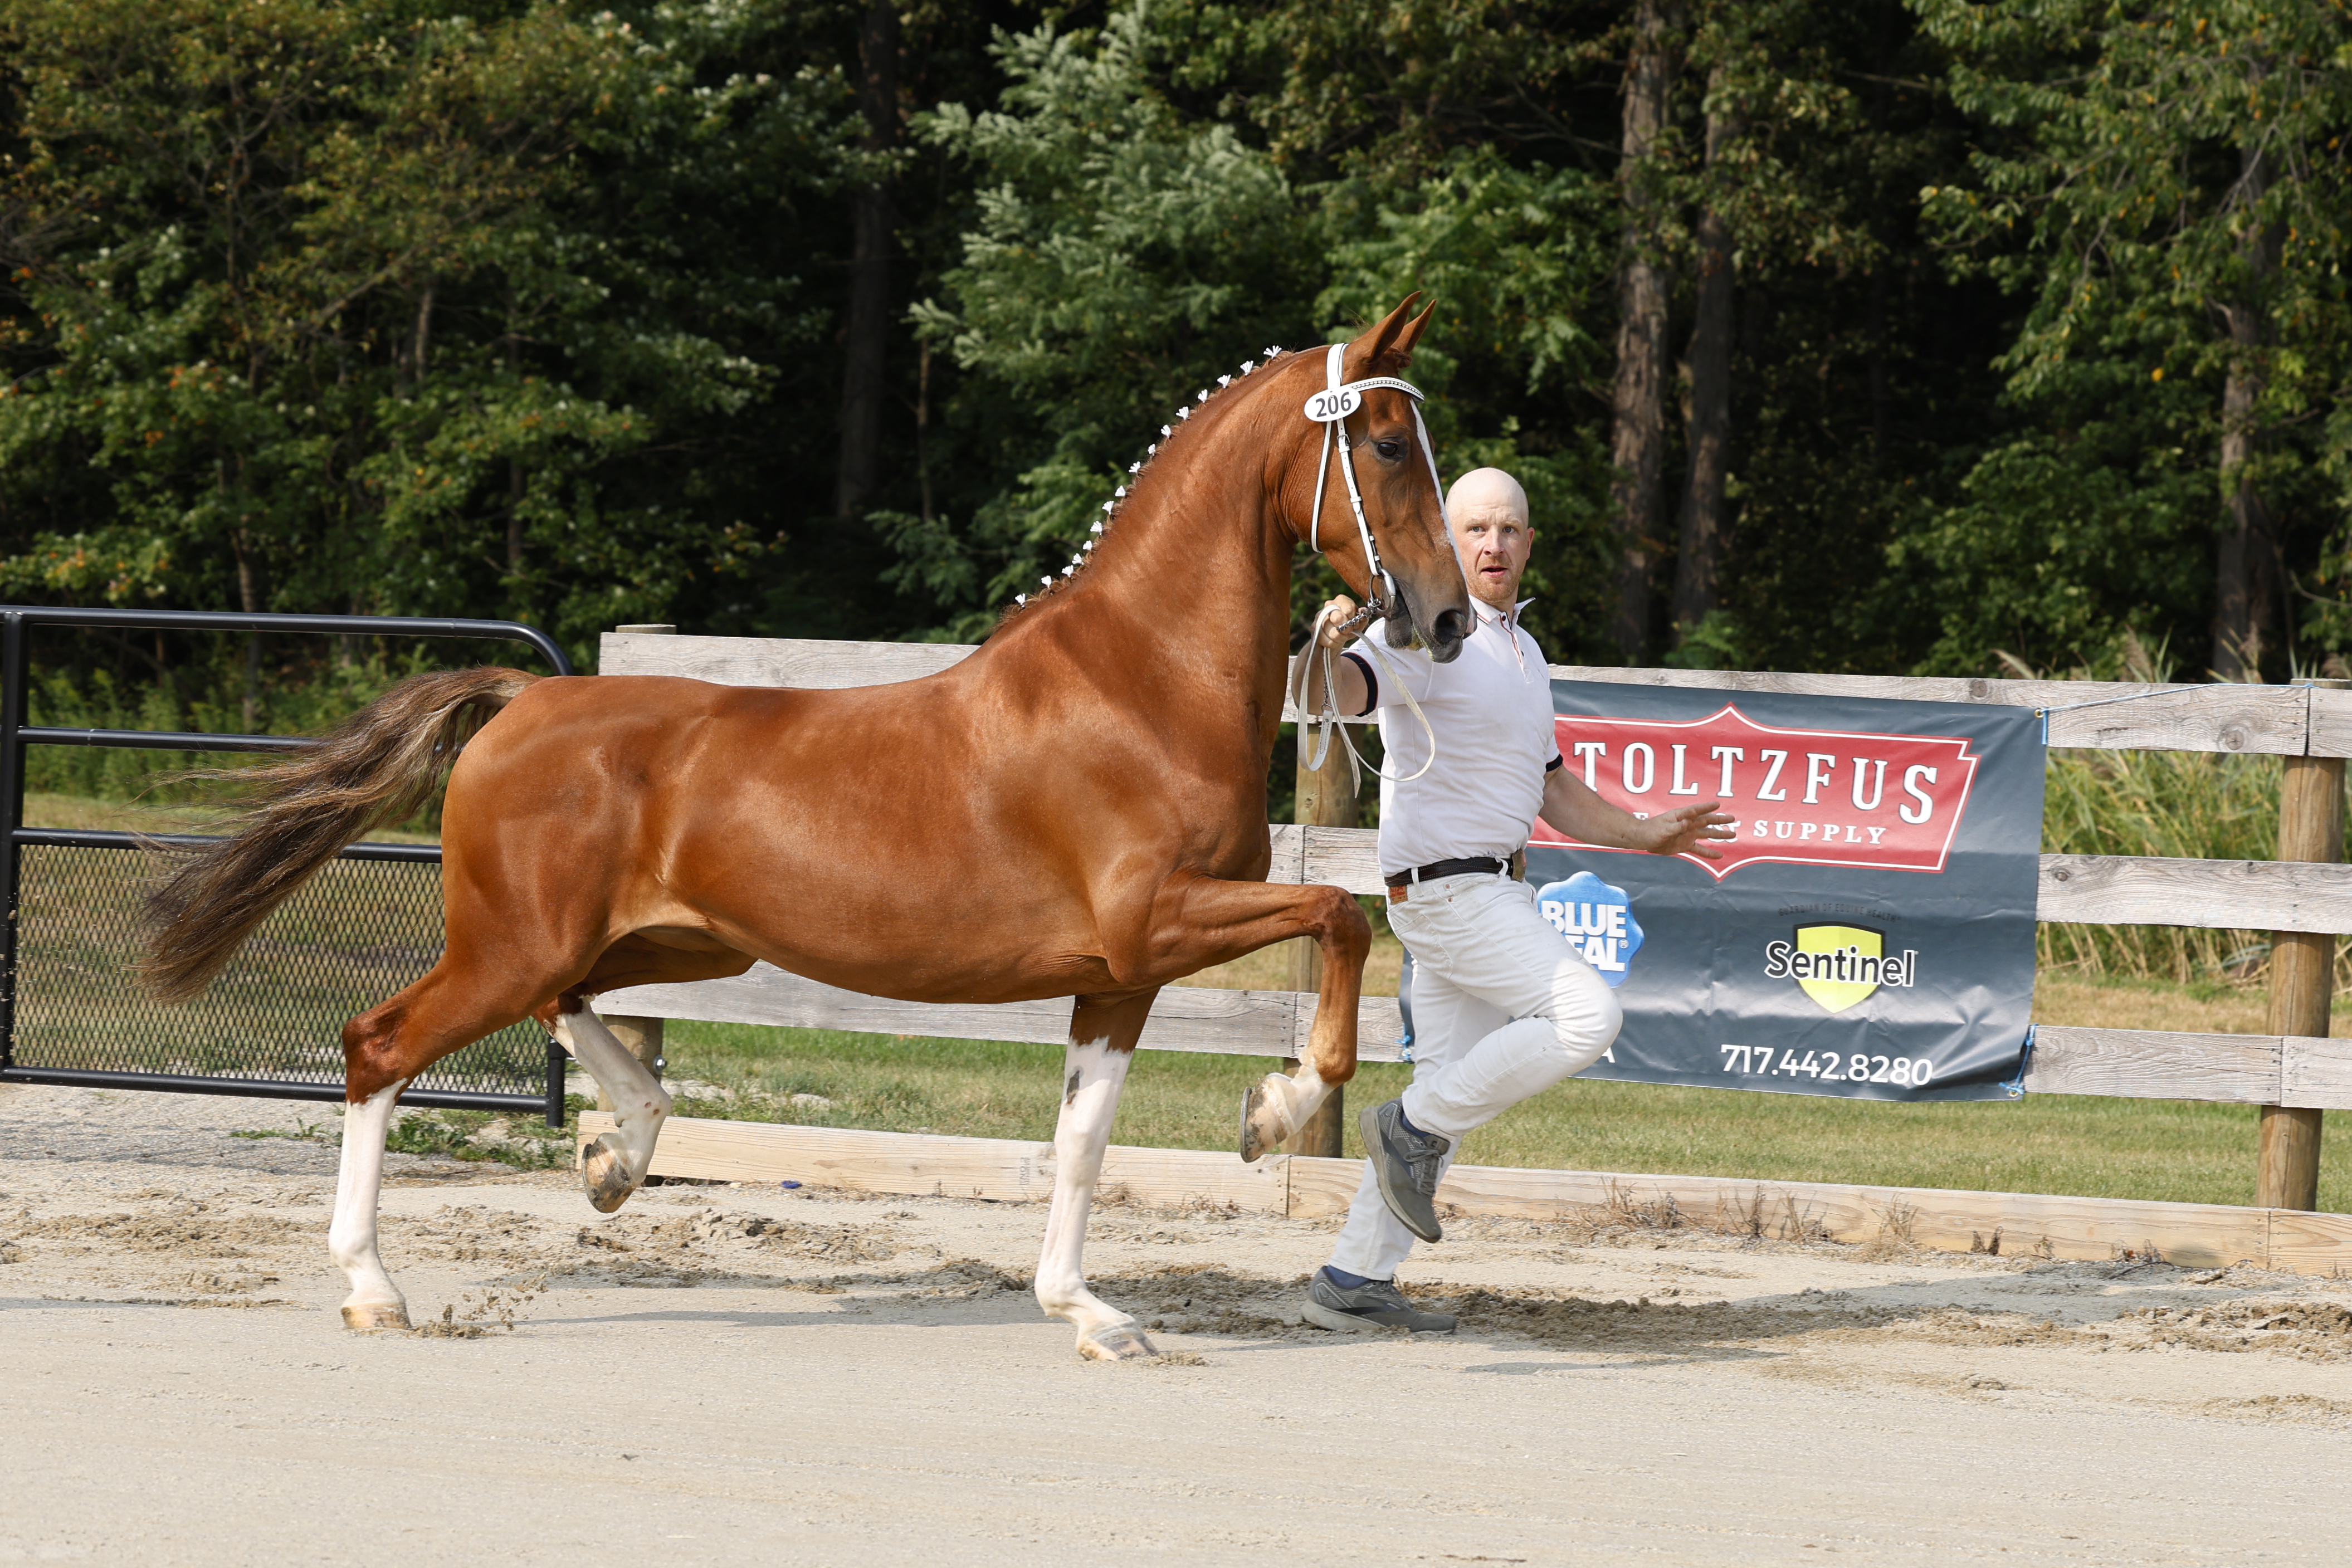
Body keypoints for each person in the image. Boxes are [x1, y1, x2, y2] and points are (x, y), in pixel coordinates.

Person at [1293, 467, 1735, 1334]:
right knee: (1584, 1020)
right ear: (1446, 542)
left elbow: (1550, 789)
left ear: (1529, 544)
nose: (1491, 545)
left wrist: (1645, 833)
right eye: (1475, 530)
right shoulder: (1422, 636)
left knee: (1450, 1089)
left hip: (1492, 886)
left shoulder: (1524, 653)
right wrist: (1323, 643)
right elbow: (1325, 696)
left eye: (1507, 530)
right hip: (1446, 892)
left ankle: (1354, 1278)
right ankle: (1403, 1127)